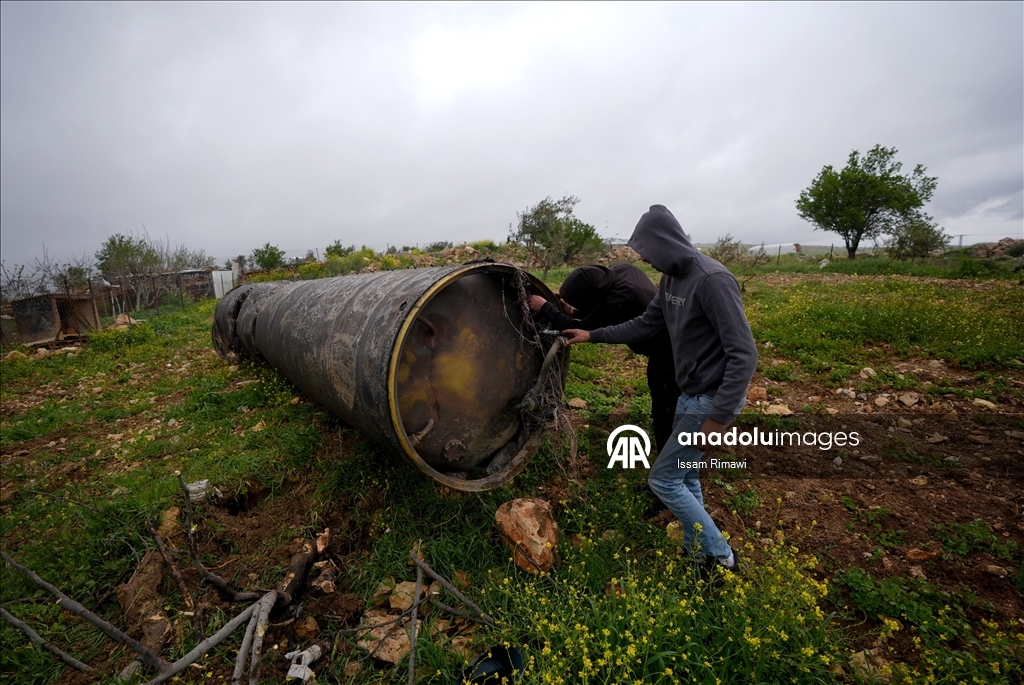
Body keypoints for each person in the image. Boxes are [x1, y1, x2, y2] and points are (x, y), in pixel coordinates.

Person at [562, 205, 758, 573]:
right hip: (690, 391)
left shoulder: (712, 280)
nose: (643, 259)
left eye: (647, 252)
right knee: (686, 475)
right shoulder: (671, 279)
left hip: (711, 398)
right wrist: (592, 334)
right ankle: (698, 553)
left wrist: (718, 418)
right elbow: (645, 323)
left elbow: (744, 354)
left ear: (665, 243)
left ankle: (721, 557)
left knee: (663, 479)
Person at [527, 263, 680, 452]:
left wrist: (546, 309)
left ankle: (672, 468)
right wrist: (574, 312)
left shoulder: (624, 296)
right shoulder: (622, 270)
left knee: (666, 408)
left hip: (669, 354)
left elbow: (581, 329)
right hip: (670, 345)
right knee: (666, 403)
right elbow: (603, 308)